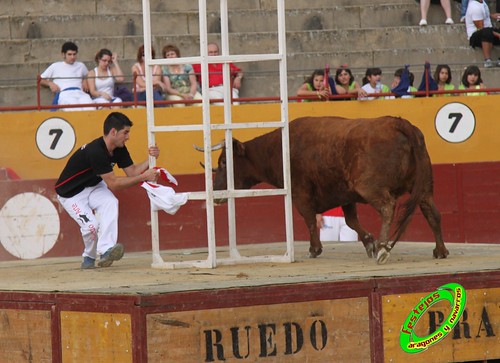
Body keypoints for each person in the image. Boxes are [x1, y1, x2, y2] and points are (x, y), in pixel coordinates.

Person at [54, 112, 161, 269]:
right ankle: (89, 257)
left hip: (94, 185)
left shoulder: (119, 148)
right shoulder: (95, 151)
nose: (128, 137)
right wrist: (144, 176)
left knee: (111, 202)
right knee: (90, 226)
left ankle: (105, 251)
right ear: (113, 132)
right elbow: (114, 184)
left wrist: (151, 159)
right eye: (125, 132)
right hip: (71, 194)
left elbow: (132, 172)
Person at [40, 41, 94, 111]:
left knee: (91, 109)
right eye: (69, 54)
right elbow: (40, 80)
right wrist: (50, 83)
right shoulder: (55, 66)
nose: (72, 57)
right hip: (65, 93)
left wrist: (85, 80)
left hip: (80, 93)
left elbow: (88, 75)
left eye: (74, 54)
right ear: (63, 54)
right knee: (75, 110)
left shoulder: (81, 65)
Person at [465, 0, 500, 68]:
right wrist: (498, 35)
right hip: (476, 35)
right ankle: (487, 60)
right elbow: (481, 28)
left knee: (489, 31)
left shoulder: (482, 2)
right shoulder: (474, 7)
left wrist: (492, 15)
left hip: (489, 30)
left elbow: (484, 14)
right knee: (487, 32)